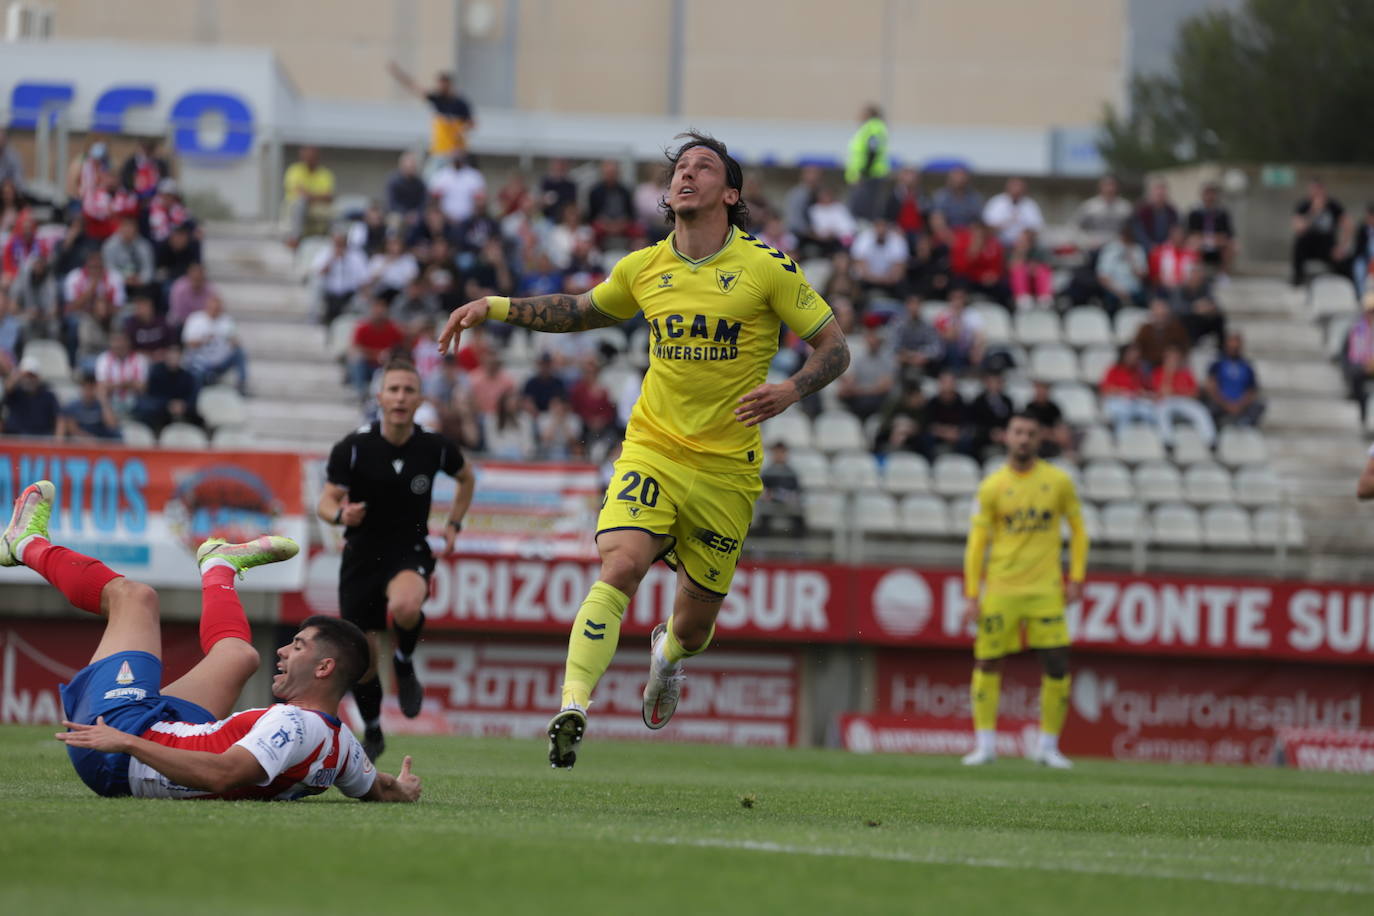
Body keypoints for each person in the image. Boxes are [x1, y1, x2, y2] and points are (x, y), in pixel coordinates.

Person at [437, 131, 849, 768]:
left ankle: (668, 658)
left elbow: (835, 348)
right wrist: (492, 306)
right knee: (620, 566)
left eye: (703, 167)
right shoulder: (643, 267)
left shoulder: (767, 266)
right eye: (680, 168)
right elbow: (578, 310)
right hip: (652, 450)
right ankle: (574, 702)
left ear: (730, 193)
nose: (686, 175)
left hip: (725, 470)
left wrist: (790, 390)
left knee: (693, 628)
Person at [0, 481, 420, 802]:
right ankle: (218, 564)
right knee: (240, 655)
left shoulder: (292, 724)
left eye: (297, 646)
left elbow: (222, 774)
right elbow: (376, 787)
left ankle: (23, 543)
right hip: (164, 729)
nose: (283, 650)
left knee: (136, 598)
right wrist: (403, 787)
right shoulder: (341, 742)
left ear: (324, 668)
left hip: (117, 751)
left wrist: (126, 741)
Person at [317, 359, 476, 762]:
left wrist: (454, 524)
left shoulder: (434, 446)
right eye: (394, 390)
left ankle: (404, 663)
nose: (401, 397)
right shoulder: (353, 448)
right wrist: (340, 516)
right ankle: (372, 728)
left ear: (420, 398)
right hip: (361, 556)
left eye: (409, 390)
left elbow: (466, 477)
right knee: (364, 663)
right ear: (380, 397)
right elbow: (326, 501)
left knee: (407, 605)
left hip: (409, 549)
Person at [961, 411, 1087, 769]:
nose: (1023, 438)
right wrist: (972, 595)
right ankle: (985, 744)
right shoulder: (992, 486)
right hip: (1001, 588)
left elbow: (1078, 531)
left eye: (1030, 433)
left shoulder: (1059, 482)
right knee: (987, 660)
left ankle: (1048, 746)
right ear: (1006, 436)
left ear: (1038, 438)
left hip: (1046, 590)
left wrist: (1076, 577)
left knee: (1057, 663)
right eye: (1018, 432)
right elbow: (976, 545)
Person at [386, 63, 475, 167]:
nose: (440, 87)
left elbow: (472, 123)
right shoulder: (437, 99)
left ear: (449, 84)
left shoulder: (460, 103)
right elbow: (415, 87)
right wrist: (399, 74)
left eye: (443, 84)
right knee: (430, 177)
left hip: (456, 152)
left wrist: (460, 131)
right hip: (440, 150)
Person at [1292, 179, 1348, 287]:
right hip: (1308, 246)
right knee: (1299, 243)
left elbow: (1348, 226)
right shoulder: (1304, 205)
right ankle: (1298, 279)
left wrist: (1342, 247)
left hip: (1327, 246)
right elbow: (1298, 229)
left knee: (1343, 261)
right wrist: (1313, 212)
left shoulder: (1333, 205)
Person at [1203, 331, 1264, 428]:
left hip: (1240, 405)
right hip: (1221, 403)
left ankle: (1244, 423)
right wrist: (1226, 404)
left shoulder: (1246, 366)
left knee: (1260, 404)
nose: (1233, 349)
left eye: (1236, 347)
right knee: (1208, 407)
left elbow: (1251, 390)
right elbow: (1211, 387)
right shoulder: (1217, 364)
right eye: (1231, 347)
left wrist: (1239, 405)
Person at [283, 146, 335, 248]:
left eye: (312, 156)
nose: (309, 158)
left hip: (317, 208)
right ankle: (295, 238)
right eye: (307, 156)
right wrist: (318, 196)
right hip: (296, 207)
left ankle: (334, 241)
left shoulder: (325, 174)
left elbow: (329, 197)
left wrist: (310, 195)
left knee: (335, 210)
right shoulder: (294, 170)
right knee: (300, 203)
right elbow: (301, 194)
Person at [845, 104, 890, 220]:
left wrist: (863, 173)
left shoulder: (873, 127)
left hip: (868, 176)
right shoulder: (869, 127)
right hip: (866, 176)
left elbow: (872, 151)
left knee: (863, 211)